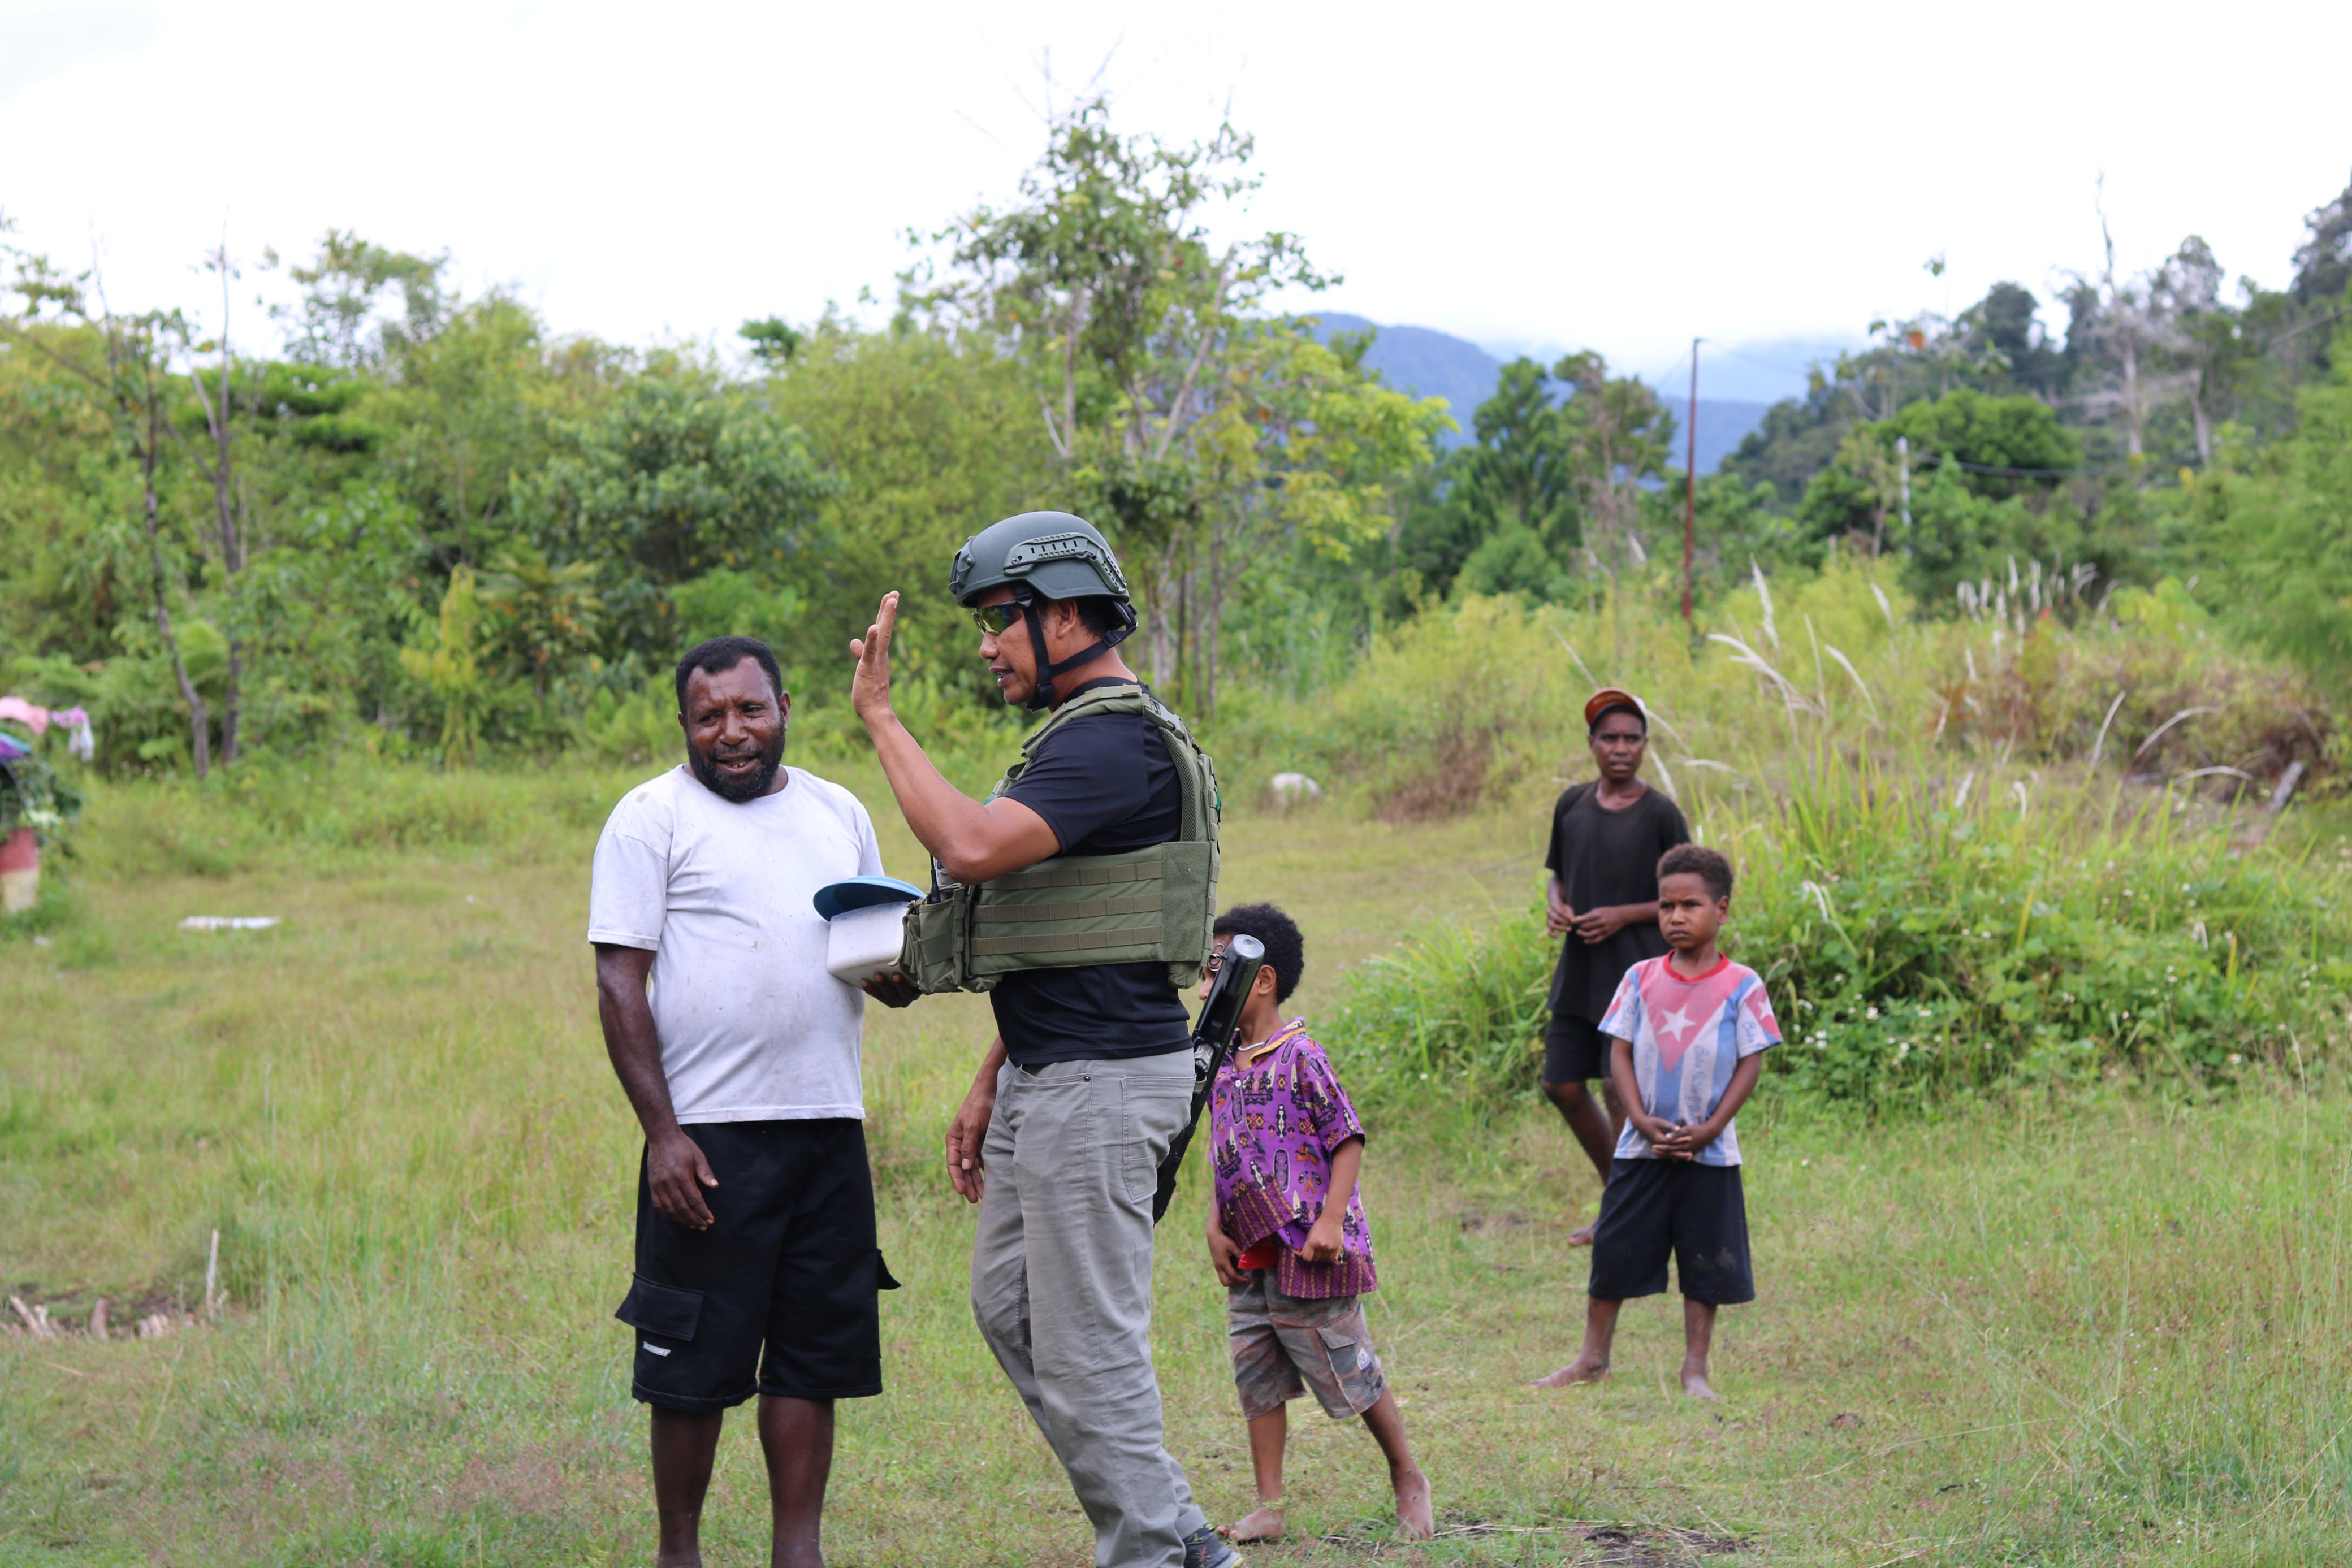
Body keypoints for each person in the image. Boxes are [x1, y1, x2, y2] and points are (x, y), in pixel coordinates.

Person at [845, 512, 1238, 1568]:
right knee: (1012, 1306)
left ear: (1066, 613)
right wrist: (996, 1072)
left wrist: (880, 716)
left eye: (998, 621)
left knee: (1087, 1346)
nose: (987, 645)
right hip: (1052, 1070)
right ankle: (1181, 1531)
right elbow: (1070, 936)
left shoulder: (1109, 740)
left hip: (1103, 1086)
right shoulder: (1078, 738)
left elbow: (970, 846)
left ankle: (1156, 1550)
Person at [588, 635, 896, 1568]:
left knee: (812, 1353)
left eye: (749, 709)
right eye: (709, 715)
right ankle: (678, 1549)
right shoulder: (650, 817)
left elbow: (871, 953)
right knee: (692, 1358)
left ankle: (795, 1549)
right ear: (683, 722)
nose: (732, 731)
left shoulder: (838, 810)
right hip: (709, 1139)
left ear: (785, 705)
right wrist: (662, 1135)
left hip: (827, 1126)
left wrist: (909, 966)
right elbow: (618, 982)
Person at [1198, 903, 1433, 1546]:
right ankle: (1269, 1503)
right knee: (1256, 1371)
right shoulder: (1218, 1063)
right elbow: (1221, 1149)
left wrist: (1332, 1219)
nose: (1201, 987)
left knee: (1347, 1363)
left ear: (1262, 978)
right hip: (1249, 1250)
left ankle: (1407, 1474)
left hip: (1309, 1247)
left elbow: (1346, 1136)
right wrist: (1214, 1222)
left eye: (1215, 971)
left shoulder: (1300, 1055)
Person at [1532, 844, 1780, 1398]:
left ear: (1720, 909)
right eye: (1666, 905)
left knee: (1705, 1258)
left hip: (1709, 1152)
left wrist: (1712, 1127)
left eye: (1688, 904)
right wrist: (1639, 1119)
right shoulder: (1639, 976)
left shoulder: (1743, 984)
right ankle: (1592, 1358)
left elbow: (1751, 1059)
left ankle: (1694, 1369)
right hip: (1639, 1148)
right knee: (1612, 1247)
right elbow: (1617, 1050)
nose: (1674, 916)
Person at [1540, 688, 1690, 1245]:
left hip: (1636, 975)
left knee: (1617, 1089)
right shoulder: (1572, 804)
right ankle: (1619, 1197)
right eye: (1609, 738)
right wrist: (1555, 903)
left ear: (1646, 746)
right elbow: (1557, 870)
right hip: (1578, 972)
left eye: (1631, 738)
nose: (1620, 748)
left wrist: (1623, 915)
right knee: (1559, 1083)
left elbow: (1686, 896)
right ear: (1591, 745)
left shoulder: (1660, 813)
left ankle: (1629, 1213)